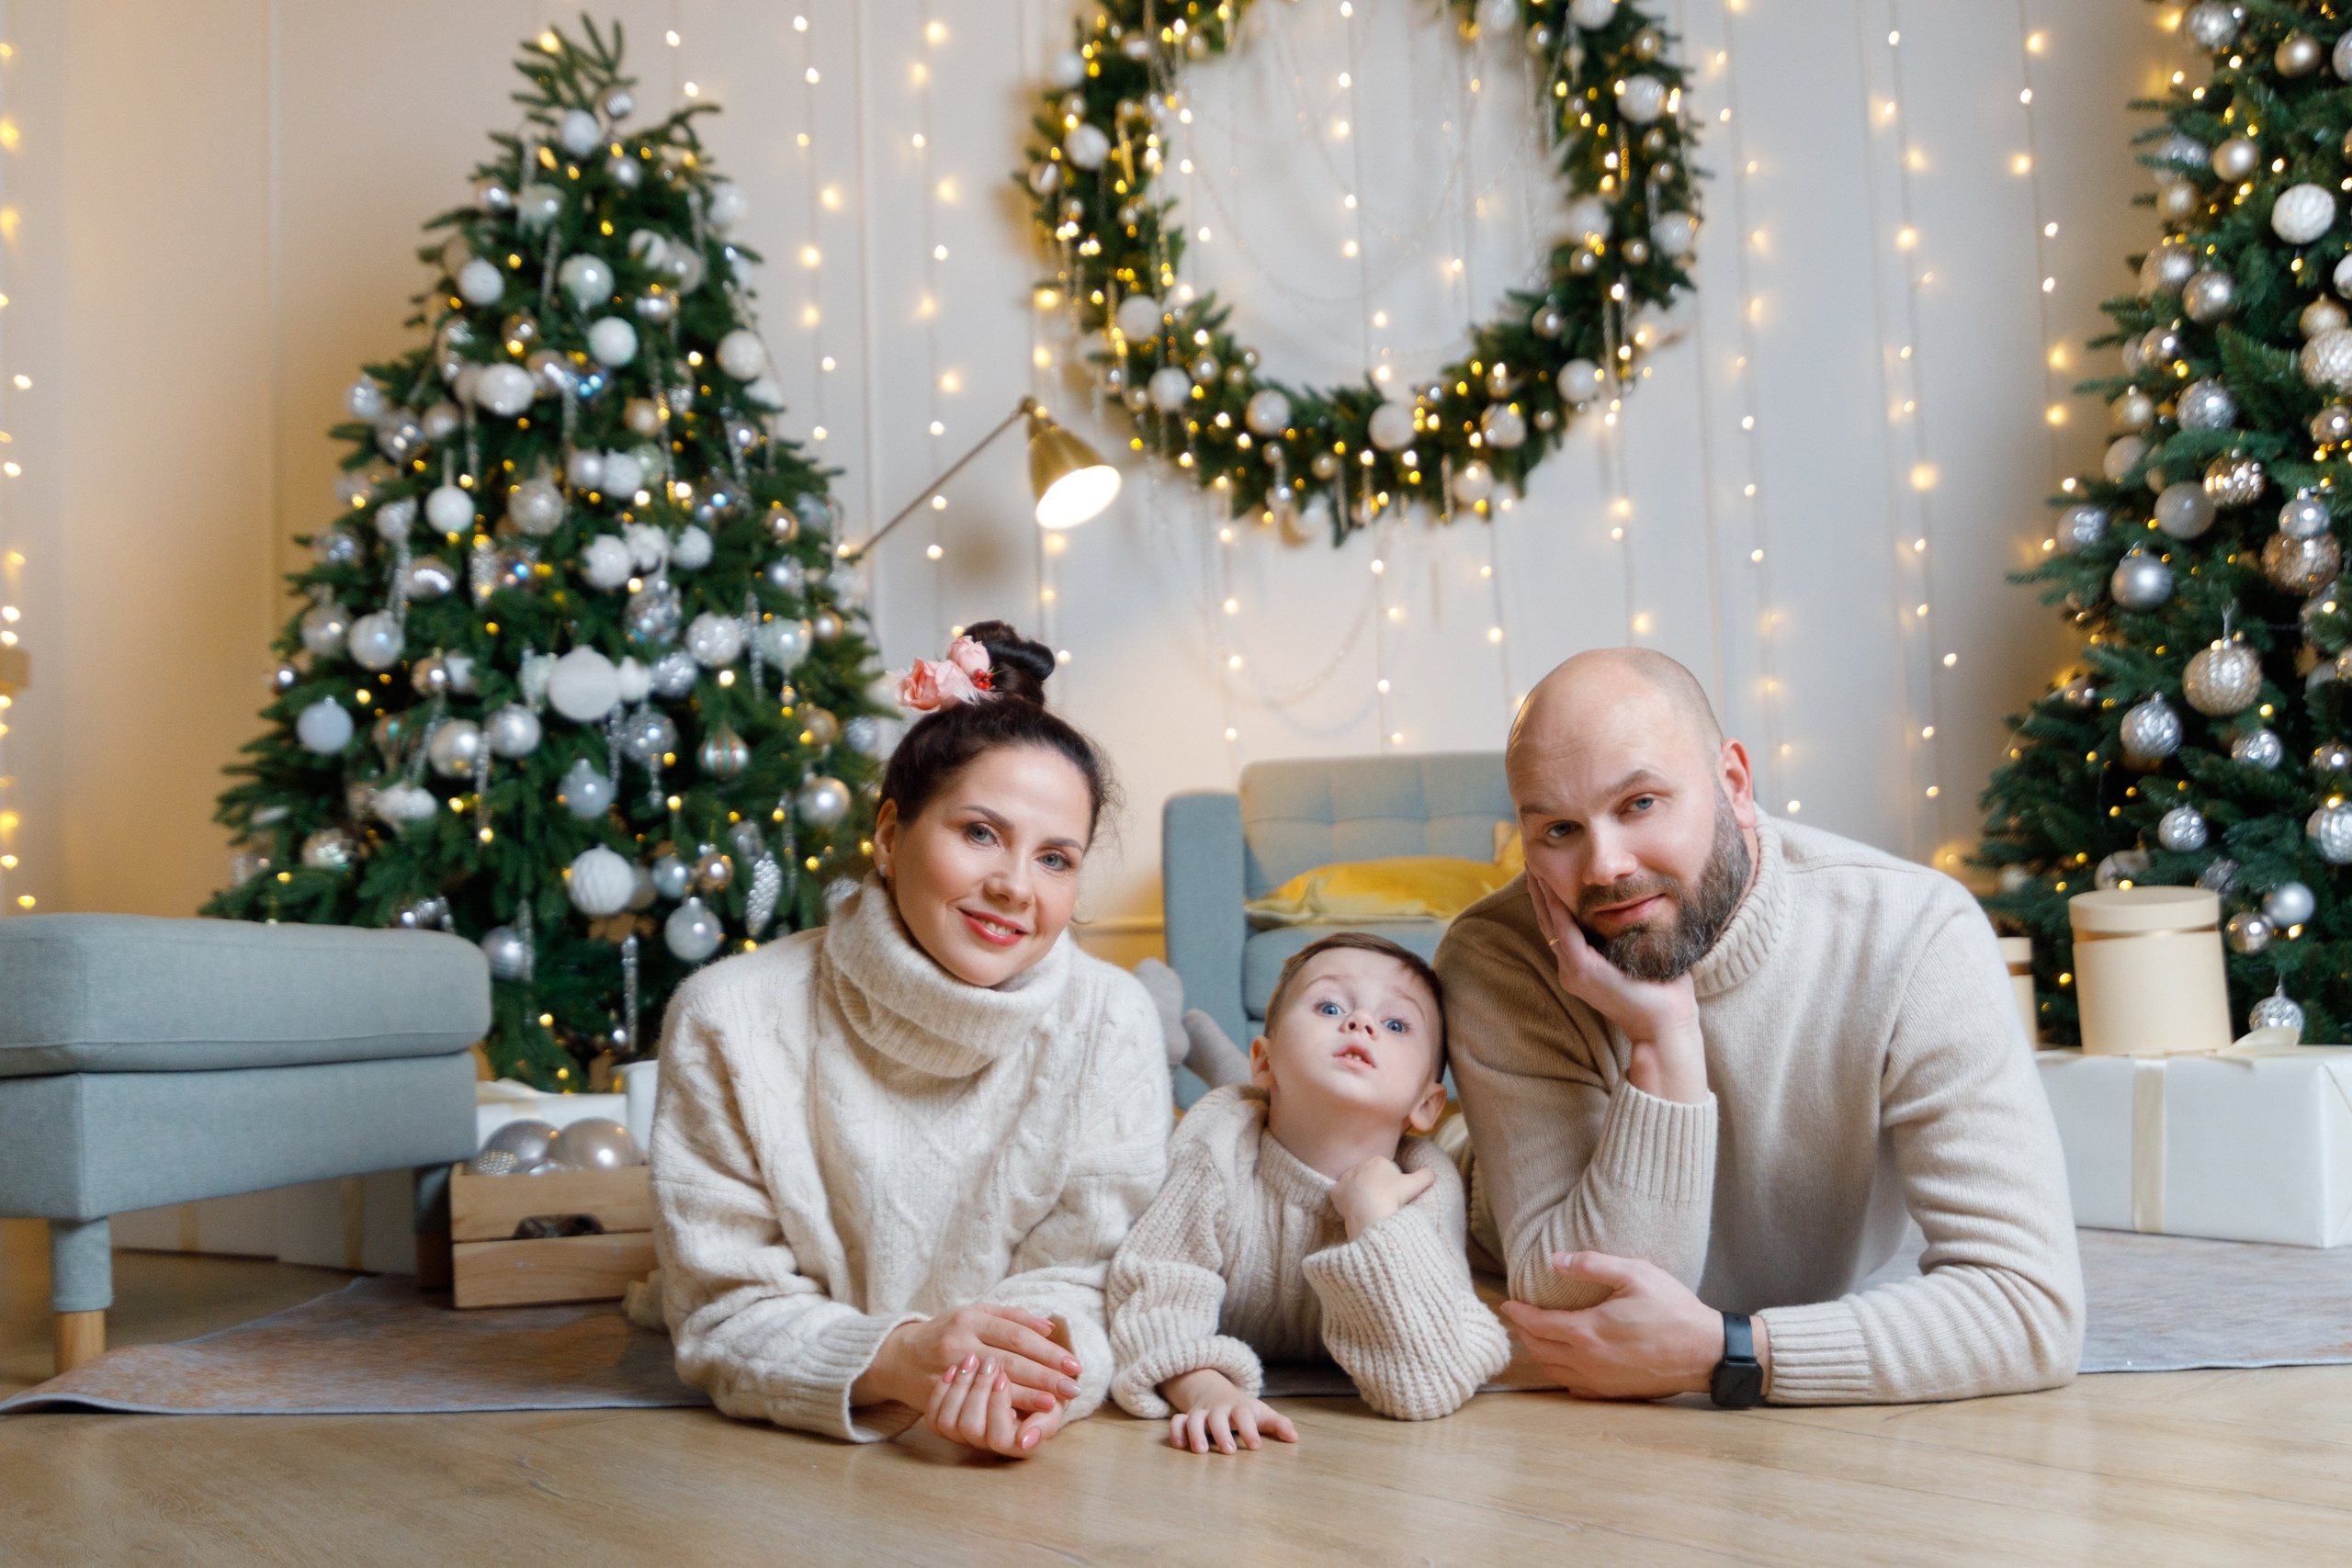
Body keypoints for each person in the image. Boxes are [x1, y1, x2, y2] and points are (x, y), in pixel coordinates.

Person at [1437, 647, 2083, 1407]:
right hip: (1485, 1256)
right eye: (1557, 830)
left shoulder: (1915, 934)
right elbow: (1585, 1311)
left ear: (1734, 784)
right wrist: (1665, 1039)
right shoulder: (1497, 956)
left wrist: (1731, 1352)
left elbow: (2028, 1304)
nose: (1606, 866)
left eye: (1641, 803)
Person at [649, 623, 1170, 1454]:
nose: (1014, 887)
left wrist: (1021, 1382)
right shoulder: (730, 1015)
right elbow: (724, 1307)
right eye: (979, 833)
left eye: (1056, 858)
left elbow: (1094, 1276)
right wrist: (896, 1359)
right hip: (786, 1464)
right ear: (890, 835)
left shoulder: (1113, 1019)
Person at [1107, 932, 1511, 1452]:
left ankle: (1183, 1050)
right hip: (1238, 1125)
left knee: (1262, 1104)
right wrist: (1204, 1388)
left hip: (1284, 1116)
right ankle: (1152, 1045)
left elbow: (1434, 1374)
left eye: (1395, 1024)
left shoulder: (1425, 1190)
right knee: (1134, 1128)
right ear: (1266, 1060)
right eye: (1328, 1006)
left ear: (1428, 1106)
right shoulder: (1215, 1147)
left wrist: (1376, 1220)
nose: (1360, 1023)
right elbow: (1154, 1289)